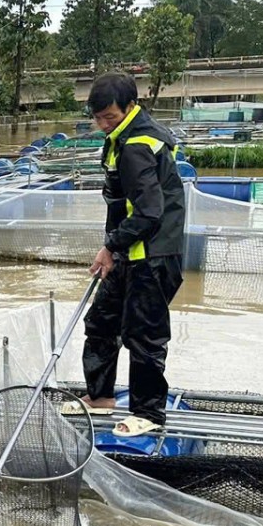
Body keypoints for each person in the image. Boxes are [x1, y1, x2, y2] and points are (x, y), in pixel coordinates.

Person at [77, 71, 186, 435]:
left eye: (110, 117)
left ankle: (149, 413)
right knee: (101, 322)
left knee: (144, 336)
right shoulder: (122, 138)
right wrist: (115, 248)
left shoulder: (138, 146)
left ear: (130, 107)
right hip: (130, 252)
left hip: (152, 257)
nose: (103, 124)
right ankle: (101, 397)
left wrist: (110, 245)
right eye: (98, 117)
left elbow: (150, 212)